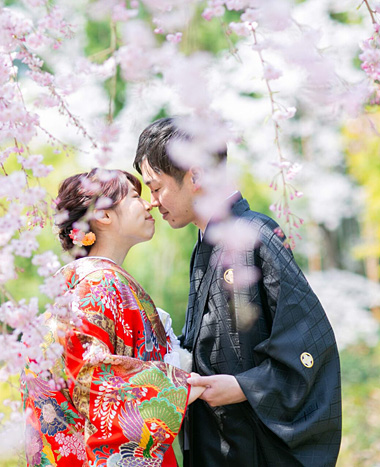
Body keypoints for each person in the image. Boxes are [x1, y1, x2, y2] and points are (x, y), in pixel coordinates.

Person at [133, 117, 342, 466]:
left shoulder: (254, 234)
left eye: (156, 187)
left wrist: (246, 387)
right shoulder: (207, 244)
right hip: (220, 443)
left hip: (253, 448)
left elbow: (310, 345)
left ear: (195, 176)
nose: (152, 201)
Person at [22, 168, 204, 467]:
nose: (150, 204)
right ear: (104, 215)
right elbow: (92, 376)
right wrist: (178, 385)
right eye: (136, 197)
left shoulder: (92, 282)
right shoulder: (99, 283)